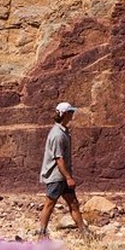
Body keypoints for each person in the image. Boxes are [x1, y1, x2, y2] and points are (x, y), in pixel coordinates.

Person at [38, 101, 91, 239]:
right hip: (57, 176)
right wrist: (68, 177)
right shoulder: (57, 135)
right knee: (50, 204)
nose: (73, 114)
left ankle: (84, 232)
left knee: (73, 203)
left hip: (62, 176)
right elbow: (58, 159)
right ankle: (41, 234)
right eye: (71, 112)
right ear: (65, 114)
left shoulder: (63, 131)